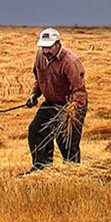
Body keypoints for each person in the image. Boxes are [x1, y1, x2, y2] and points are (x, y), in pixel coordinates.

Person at [22, 28, 88, 174]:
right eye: (43, 47)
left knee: (66, 140)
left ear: (58, 44)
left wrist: (72, 110)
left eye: (49, 47)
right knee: (36, 130)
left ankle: (72, 172)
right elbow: (39, 79)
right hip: (51, 103)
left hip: (71, 105)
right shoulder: (40, 57)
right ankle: (42, 169)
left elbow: (79, 91)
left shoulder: (70, 61)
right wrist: (34, 95)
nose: (45, 51)